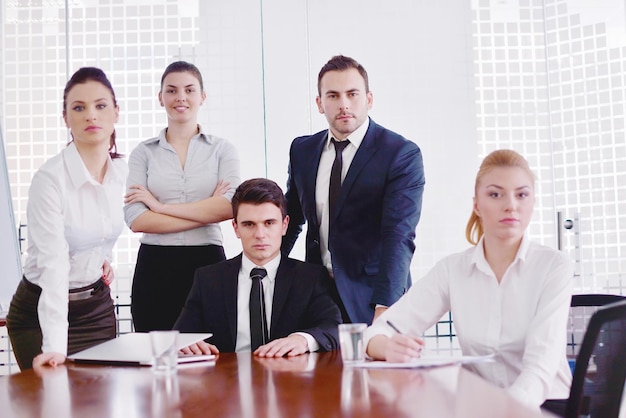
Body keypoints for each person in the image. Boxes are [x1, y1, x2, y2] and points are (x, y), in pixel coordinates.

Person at [364, 149, 573, 409]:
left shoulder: (554, 266)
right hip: (482, 405)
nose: (511, 205)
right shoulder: (453, 270)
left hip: (545, 405)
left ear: (532, 201)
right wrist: (386, 347)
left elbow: (540, 367)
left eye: (522, 194)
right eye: (495, 194)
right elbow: (376, 333)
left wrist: (502, 409)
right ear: (476, 204)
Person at [281, 55, 425, 325]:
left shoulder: (400, 154)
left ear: (369, 99)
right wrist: (268, 274)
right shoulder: (302, 151)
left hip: (371, 296)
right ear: (319, 104)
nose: (344, 104)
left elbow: (399, 234)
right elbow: (291, 221)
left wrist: (385, 306)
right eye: (333, 96)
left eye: (352, 94)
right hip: (315, 295)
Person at [6, 67, 127, 369]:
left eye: (100, 106)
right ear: (65, 119)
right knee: (53, 406)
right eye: (79, 108)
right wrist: (55, 347)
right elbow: (54, 267)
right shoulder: (49, 180)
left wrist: (96, 256)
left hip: (96, 309)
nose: (91, 115)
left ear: (116, 112)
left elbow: (106, 228)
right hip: (40, 312)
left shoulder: (126, 173)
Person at [124, 61, 240, 332]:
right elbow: (136, 219)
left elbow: (229, 207)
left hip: (208, 263)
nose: (181, 97)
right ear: (160, 97)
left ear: (202, 96)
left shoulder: (222, 150)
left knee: (213, 357)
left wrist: (159, 206)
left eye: (189, 90)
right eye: (172, 90)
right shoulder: (144, 153)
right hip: (155, 266)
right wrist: (205, 212)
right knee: (155, 356)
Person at [174, 178, 341, 357]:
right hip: (226, 378)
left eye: (269, 223)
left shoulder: (310, 278)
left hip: (290, 378)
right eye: (249, 224)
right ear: (236, 228)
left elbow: (333, 328)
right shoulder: (208, 279)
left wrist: (302, 339)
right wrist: (188, 345)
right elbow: (181, 336)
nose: (260, 235)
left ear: (284, 225)